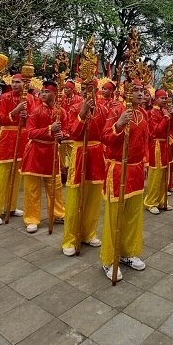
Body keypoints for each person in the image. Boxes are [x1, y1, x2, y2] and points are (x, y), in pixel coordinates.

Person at [99, 78, 149, 280]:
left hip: (136, 170)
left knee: (133, 214)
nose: (139, 93)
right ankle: (109, 259)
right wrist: (118, 125)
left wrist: (145, 163)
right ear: (126, 91)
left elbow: (145, 141)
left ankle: (128, 253)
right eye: (135, 90)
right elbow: (105, 137)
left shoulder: (144, 113)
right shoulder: (116, 110)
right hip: (118, 168)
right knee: (115, 216)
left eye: (142, 90)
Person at [62, 84, 107, 256]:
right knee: (75, 198)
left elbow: (105, 133)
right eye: (86, 90)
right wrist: (82, 114)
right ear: (81, 92)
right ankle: (70, 239)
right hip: (80, 152)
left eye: (92, 89)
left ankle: (89, 233)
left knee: (94, 197)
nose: (90, 93)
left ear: (96, 91)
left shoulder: (103, 110)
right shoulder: (74, 108)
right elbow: (73, 132)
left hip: (97, 154)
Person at [19, 80, 65, 233]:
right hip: (35, 151)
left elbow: (67, 130)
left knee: (55, 186)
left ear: (55, 94)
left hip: (52, 151)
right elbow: (30, 132)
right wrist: (49, 129)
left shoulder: (61, 112)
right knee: (32, 188)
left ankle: (58, 213)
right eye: (42, 92)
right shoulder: (36, 111)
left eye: (47, 92)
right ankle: (31, 218)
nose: (43, 94)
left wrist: (62, 134)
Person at [0, 74, 27, 225]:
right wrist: (16, 111)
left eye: (18, 82)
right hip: (6, 137)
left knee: (16, 175)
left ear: (25, 83)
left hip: (22, 137)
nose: (15, 85)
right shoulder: (5, 97)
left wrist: (27, 115)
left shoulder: (30, 99)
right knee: (0, 175)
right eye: (13, 82)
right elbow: (1, 119)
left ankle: (11, 207)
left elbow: (33, 120)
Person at [143, 88, 173, 215]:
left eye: (166, 98)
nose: (165, 100)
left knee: (164, 175)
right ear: (156, 99)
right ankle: (150, 202)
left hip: (165, 145)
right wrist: (166, 118)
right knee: (155, 175)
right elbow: (155, 131)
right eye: (162, 98)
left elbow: (172, 128)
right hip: (156, 145)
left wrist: (172, 116)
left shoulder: (164, 111)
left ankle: (162, 200)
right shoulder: (152, 113)